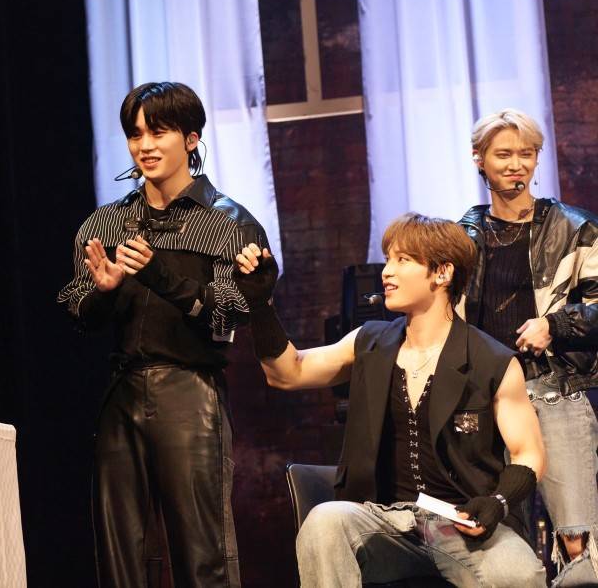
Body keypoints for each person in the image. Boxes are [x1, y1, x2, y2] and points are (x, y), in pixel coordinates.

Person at [236, 213, 546, 587]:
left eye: (403, 260)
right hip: (385, 520)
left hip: (461, 524)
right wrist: (260, 306)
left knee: (521, 574)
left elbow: (529, 452)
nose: (387, 271)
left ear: (442, 273)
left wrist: (497, 502)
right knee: (324, 521)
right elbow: (288, 372)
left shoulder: (492, 361)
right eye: (388, 259)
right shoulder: (368, 342)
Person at [57, 82, 268, 587]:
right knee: (121, 553)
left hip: (190, 390)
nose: (145, 146)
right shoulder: (107, 222)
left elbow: (230, 315)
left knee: (202, 553)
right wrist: (104, 292)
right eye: (135, 135)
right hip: (123, 391)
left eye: (159, 132)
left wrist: (162, 277)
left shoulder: (228, 223)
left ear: (191, 139)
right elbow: (76, 310)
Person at [459, 108, 598, 584]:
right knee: (501, 542)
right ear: (479, 159)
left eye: (527, 153)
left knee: (578, 538)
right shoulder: (463, 237)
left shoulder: (575, 228)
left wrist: (555, 325)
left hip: (554, 393)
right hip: (486, 402)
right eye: (504, 154)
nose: (516, 164)